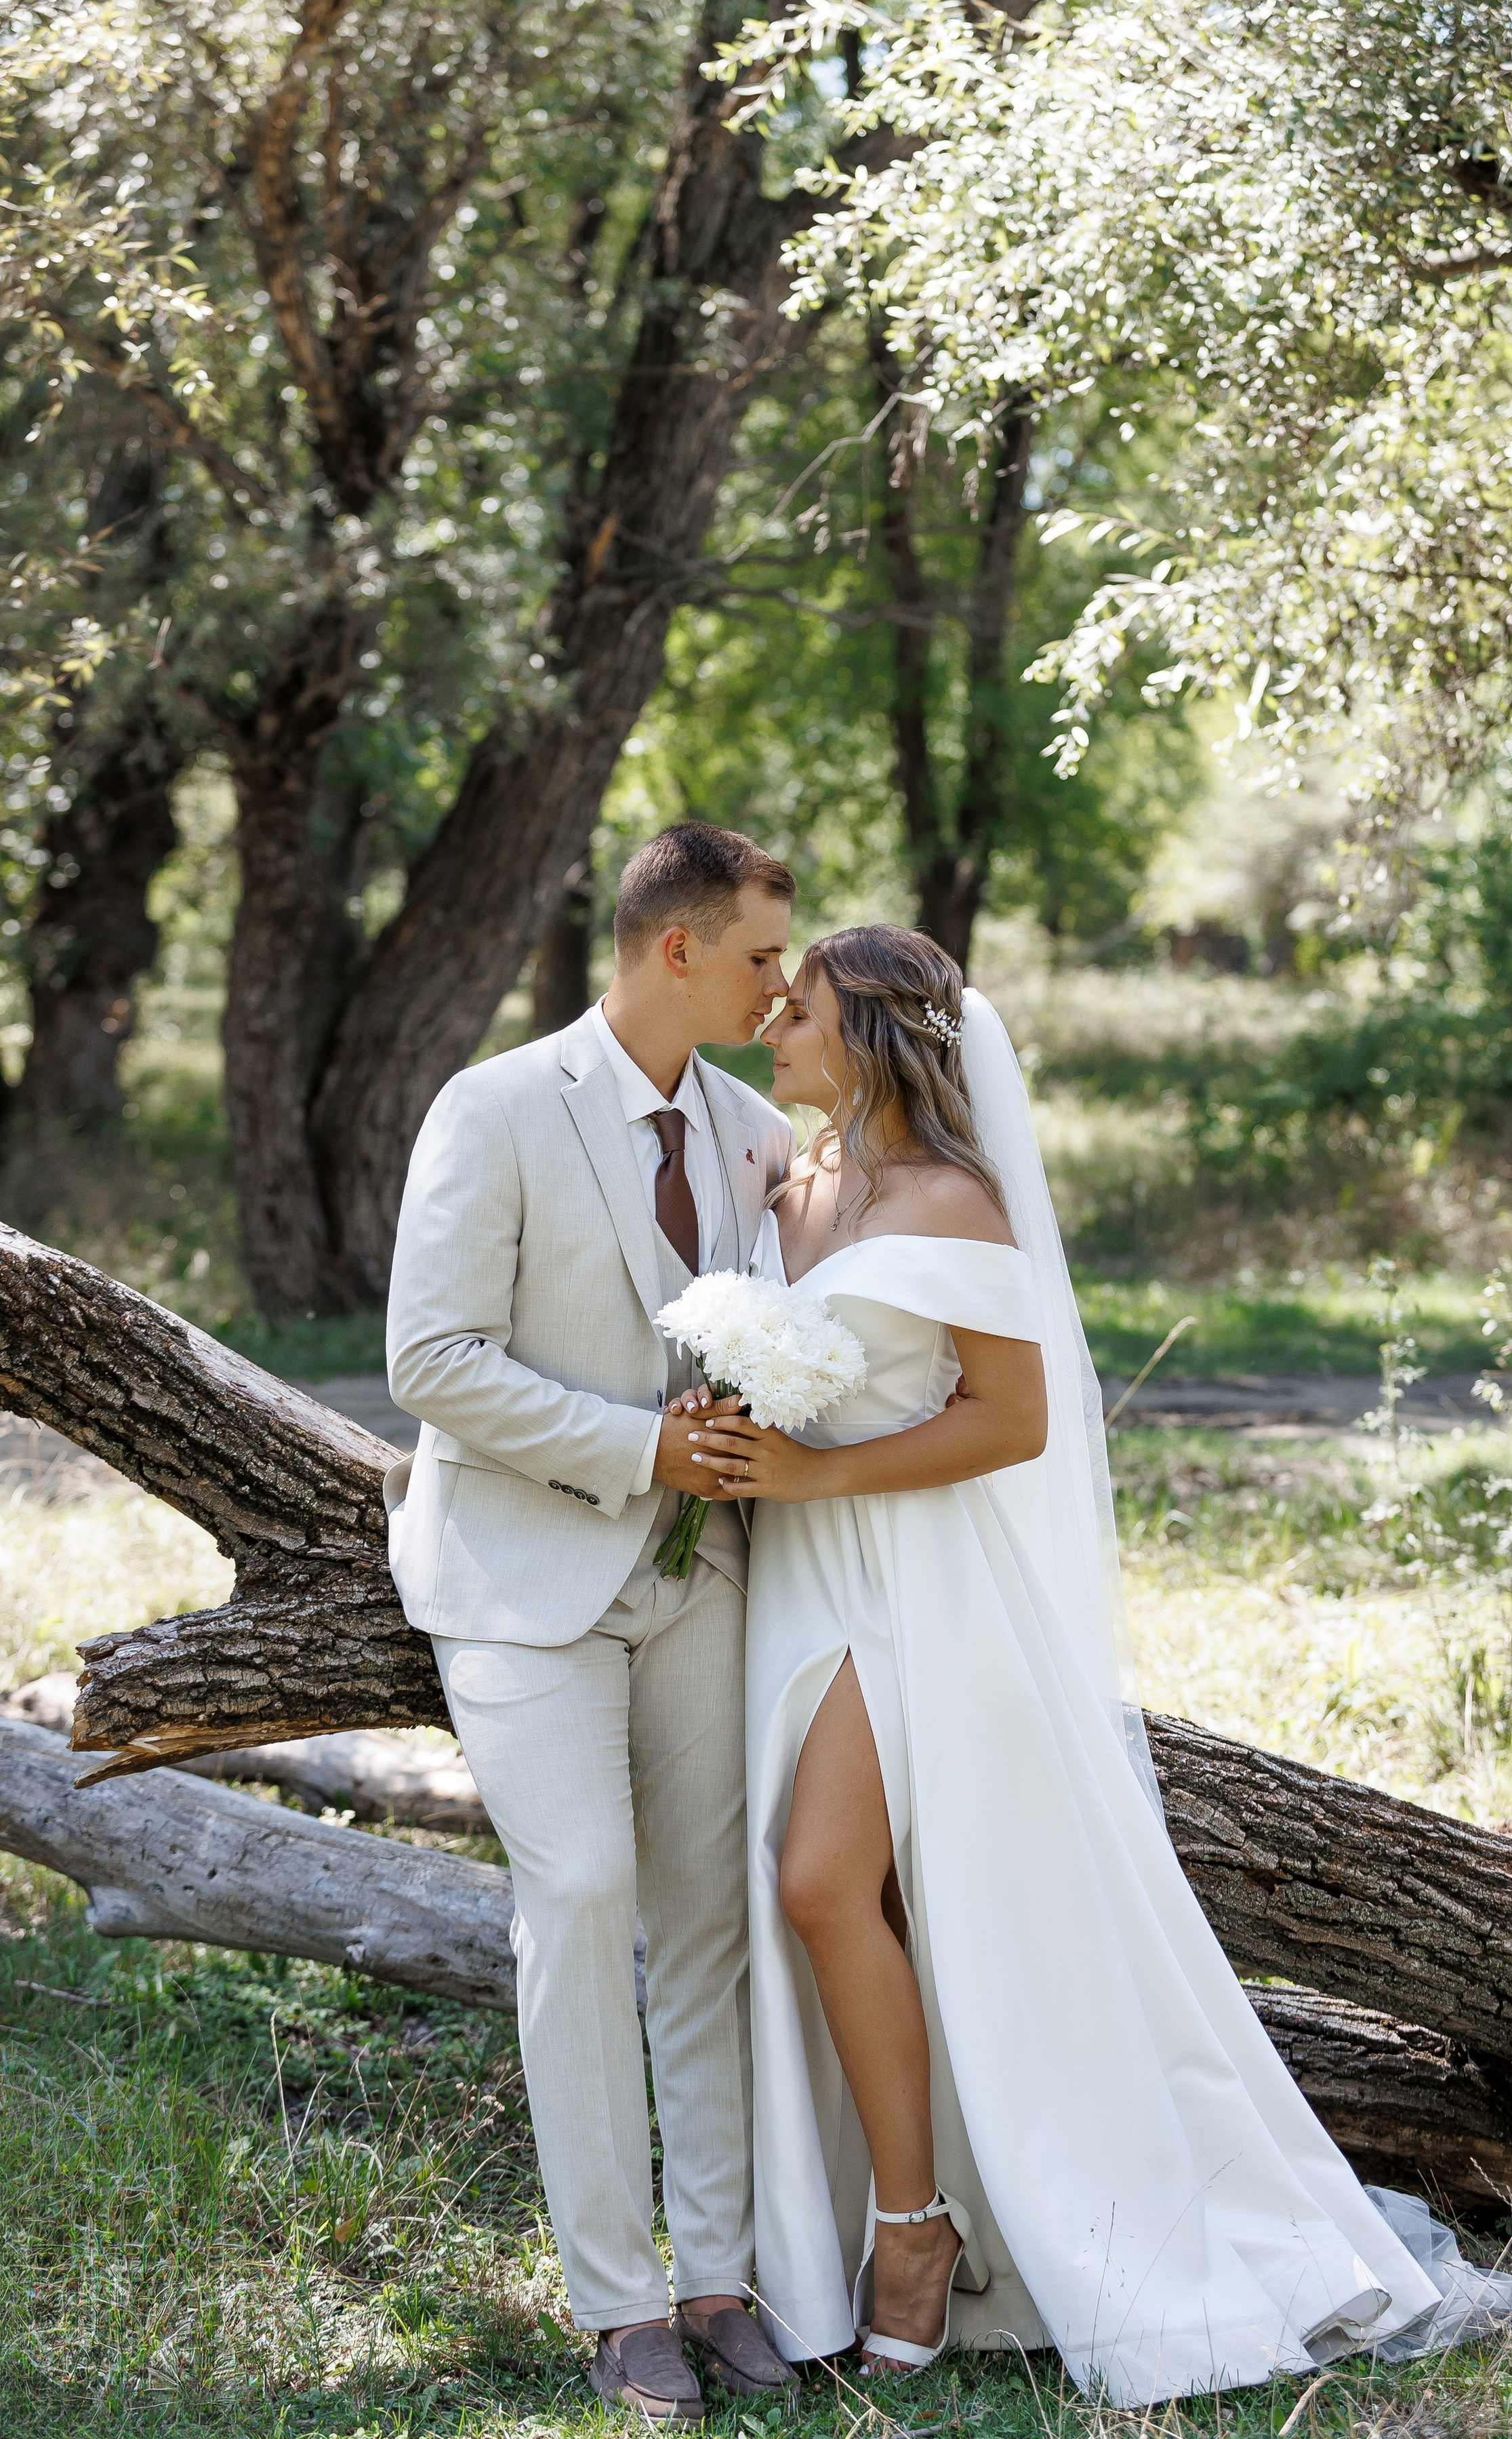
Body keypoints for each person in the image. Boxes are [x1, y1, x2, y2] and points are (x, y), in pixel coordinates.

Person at [677, 925, 1512, 2402]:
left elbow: (1012, 1421)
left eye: (799, 1011)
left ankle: (914, 2231)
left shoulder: (953, 1203)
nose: (772, 1029)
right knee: (845, 1893)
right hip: (796, 1586)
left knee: (819, 1880)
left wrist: (813, 1477)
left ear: (875, 1033)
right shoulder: (789, 1177)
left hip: (916, 1580)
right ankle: (887, 2210)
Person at [383, 822, 802, 2423]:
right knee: (579, 1895)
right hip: (520, 1578)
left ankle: (720, 2276)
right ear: (674, 950)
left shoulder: (757, 1133)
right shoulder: (492, 1108)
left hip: (702, 1574)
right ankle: (616, 2302)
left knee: (706, 1917)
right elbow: (432, 1360)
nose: (781, 982)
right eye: (762, 953)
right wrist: (639, 1447)